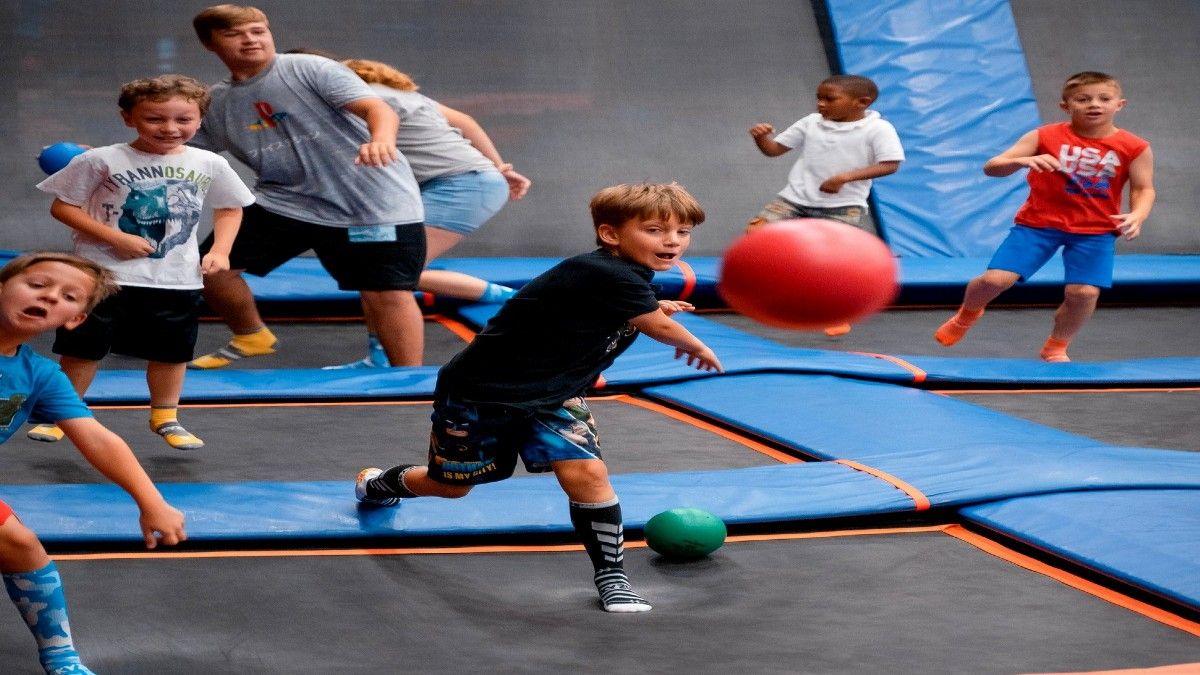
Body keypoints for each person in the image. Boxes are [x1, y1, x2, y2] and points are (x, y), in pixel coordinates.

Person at [356, 182, 723, 613]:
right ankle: (379, 484)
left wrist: (655, 309)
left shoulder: (625, 278)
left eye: (683, 232)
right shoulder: (605, 272)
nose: (672, 241)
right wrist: (695, 345)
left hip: (555, 396)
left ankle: (612, 577)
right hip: (481, 394)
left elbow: (607, 314)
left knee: (588, 474)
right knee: (451, 487)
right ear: (610, 234)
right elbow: (654, 326)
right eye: (655, 230)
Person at [185, 5, 427, 370]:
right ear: (210, 44)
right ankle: (252, 335)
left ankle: (409, 382)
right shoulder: (217, 102)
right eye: (234, 34)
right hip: (287, 203)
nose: (250, 40)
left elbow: (380, 110)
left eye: (257, 31)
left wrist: (381, 139)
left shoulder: (308, 69)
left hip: (369, 202)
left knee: (386, 293)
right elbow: (182, 152)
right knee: (211, 269)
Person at [28, 74, 254, 450]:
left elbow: (230, 207)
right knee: (82, 347)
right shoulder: (101, 159)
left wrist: (221, 250)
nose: (170, 128)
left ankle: (165, 416)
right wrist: (114, 237)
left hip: (175, 278)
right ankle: (61, 413)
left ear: (200, 120)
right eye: (155, 119)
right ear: (128, 118)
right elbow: (63, 207)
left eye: (183, 119)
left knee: (172, 351)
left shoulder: (209, 162)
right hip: (103, 276)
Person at [0, 252, 187, 675]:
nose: (50, 296)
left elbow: (97, 438)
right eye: (37, 285)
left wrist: (151, 500)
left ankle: (61, 656)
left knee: (21, 546)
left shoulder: (41, 375)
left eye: (68, 297)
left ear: (75, 320)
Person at [934, 71, 1155, 362]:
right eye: (1083, 99)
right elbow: (992, 167)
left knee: (1084, 293)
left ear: (1119, 104)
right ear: (1066, 106)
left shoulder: (1135, 146)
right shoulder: (1045, 136)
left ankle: (1057, 345)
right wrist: (1021, 161)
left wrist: (1138, 214)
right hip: (1038, 224)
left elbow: (1143, 188)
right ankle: (967, 315)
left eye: (1104, 98)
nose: (1094, 104)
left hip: (1095, 229)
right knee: (995, 280)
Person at [329, 56, 533, 369]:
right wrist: (500, 168)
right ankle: (380, 357)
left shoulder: (367, 101)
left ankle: (518, 299)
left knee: (389, 273)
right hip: (468, 180)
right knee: (377, 271)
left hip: (463, 185)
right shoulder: (406, 97)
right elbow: (466, 121)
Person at [748, 74, 904, 336]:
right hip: (795, 198)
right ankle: (782, 290)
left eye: (829, 99)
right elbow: (774, 150)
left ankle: (836, 311)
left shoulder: (878, 129)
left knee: (834, 261)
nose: (821, 104)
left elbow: (890, 164)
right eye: (819, 98)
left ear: (861, 102)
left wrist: (844, 177)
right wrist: (761, 138)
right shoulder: (811, 123)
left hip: (843, 205)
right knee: (757, 233)